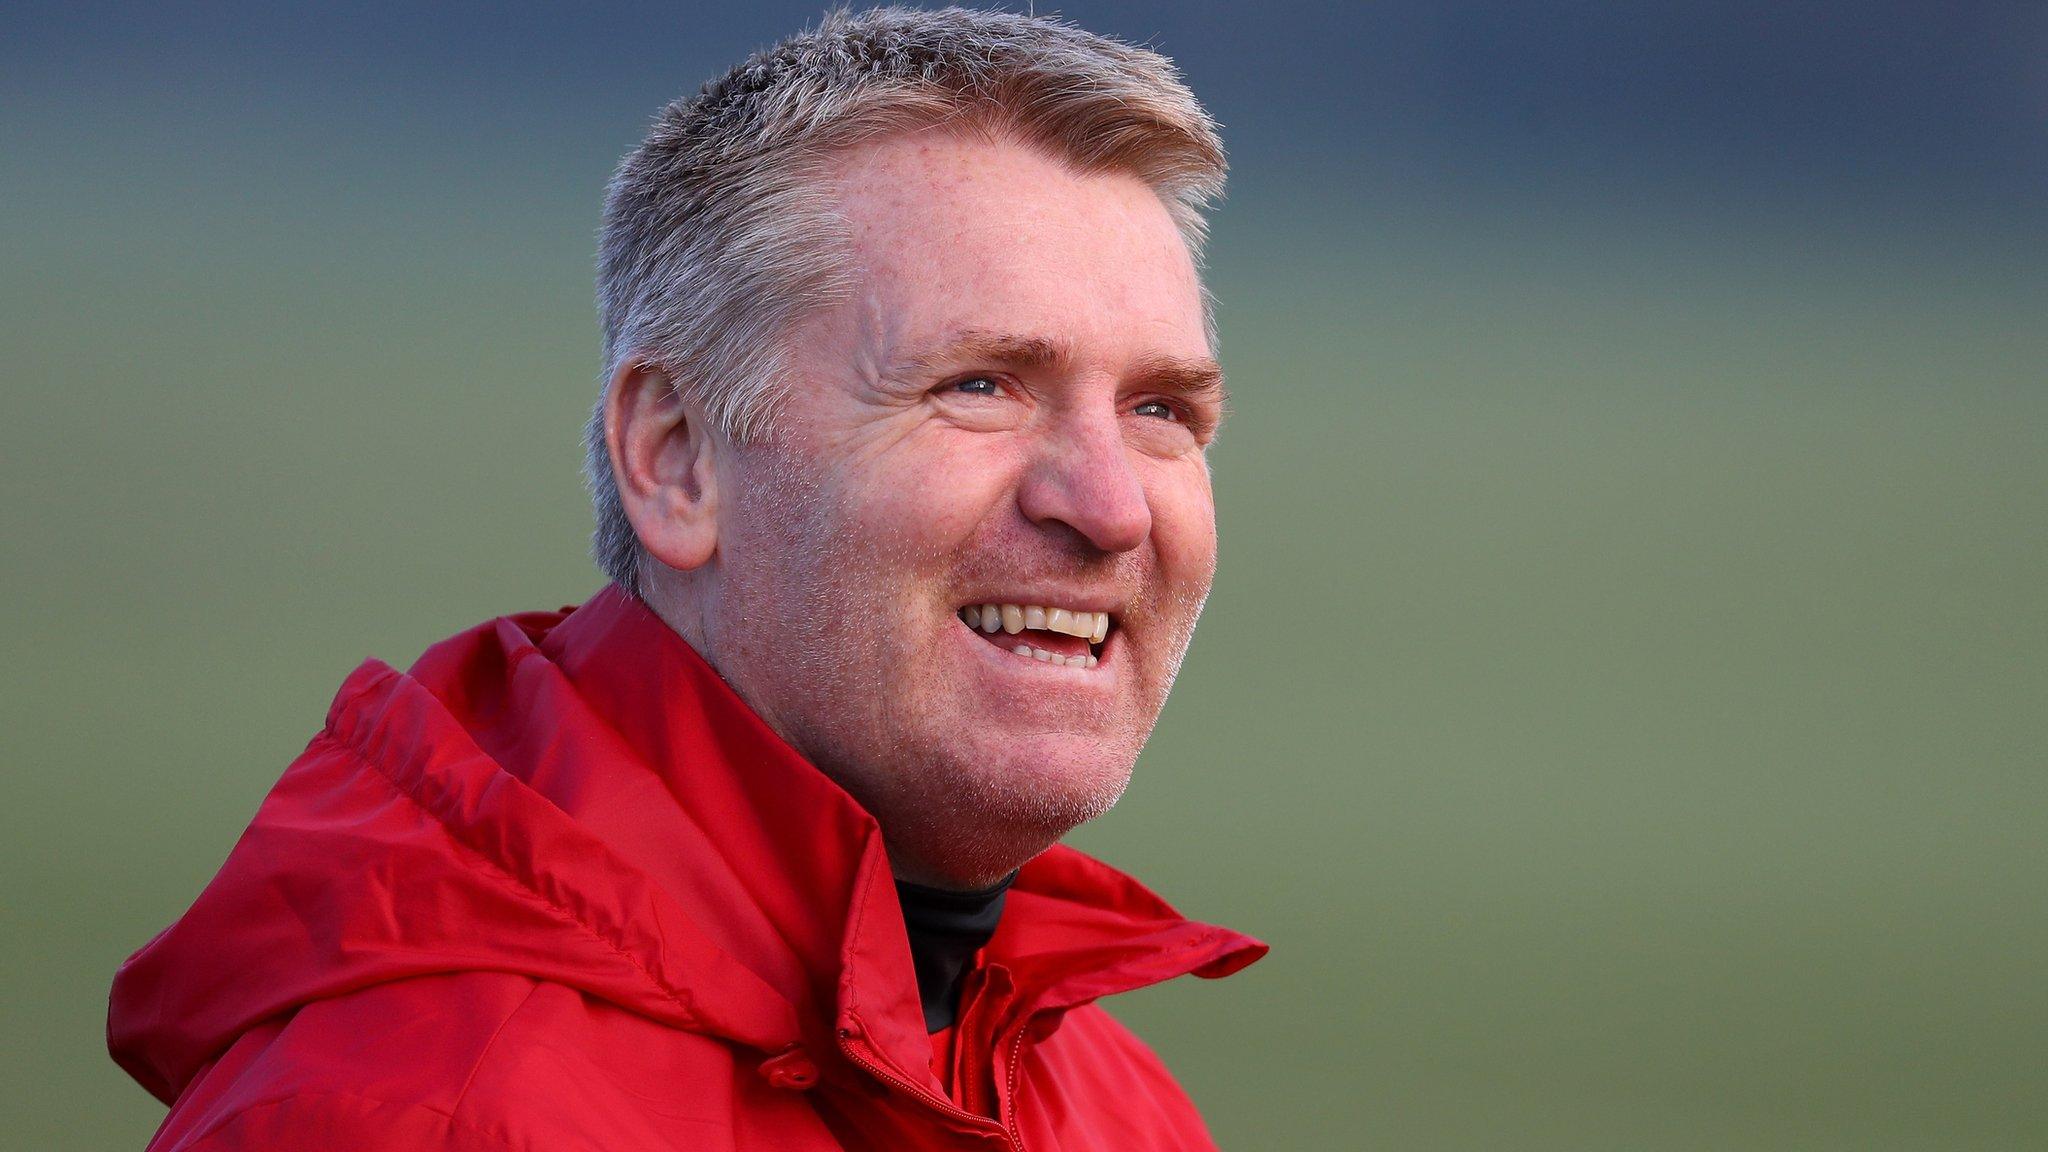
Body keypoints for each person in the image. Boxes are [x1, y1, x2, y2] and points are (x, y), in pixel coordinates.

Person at [108, 8, 1265, 1149]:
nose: (1109, 506)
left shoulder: (1111, 1109)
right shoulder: (423, 1114)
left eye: (1159, 410)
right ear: (674, 458)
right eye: (979, 385)